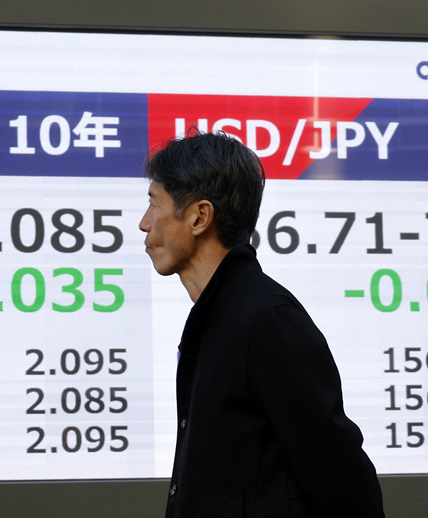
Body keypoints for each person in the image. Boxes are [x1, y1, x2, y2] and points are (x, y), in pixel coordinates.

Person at [139, 131, 385, 518]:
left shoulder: (267, 322)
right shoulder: (216, 317)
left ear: (199, 217)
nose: (143, 224)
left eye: (154, 205)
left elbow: (345, 486)